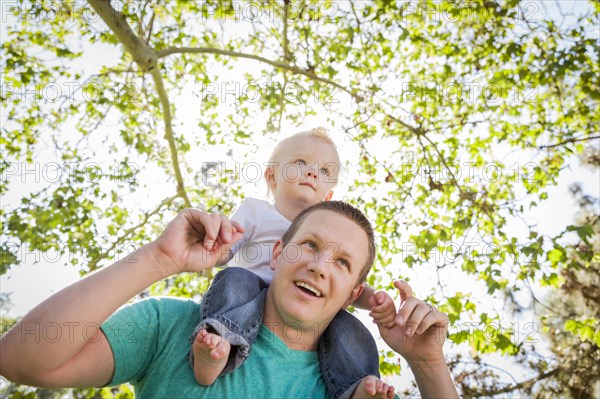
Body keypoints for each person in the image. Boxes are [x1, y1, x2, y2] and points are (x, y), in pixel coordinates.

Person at [0, 201, 459, 399]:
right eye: (310, 246)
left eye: (342, 263)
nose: (321, 265)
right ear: (278, 253)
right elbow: (22, 360)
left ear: (353, 295)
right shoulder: (174, 326)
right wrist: (159, 259)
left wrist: (429, 363)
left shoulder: (352, 388)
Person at [192, 128, 396, 399]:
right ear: (271, 175)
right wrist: (213, 245)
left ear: (327, 197)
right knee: (234, 278)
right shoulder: (256, 211)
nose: (313, 173)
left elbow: (345, 285)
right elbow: (228, 247)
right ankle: (220, 342)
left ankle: (355, 385)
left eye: (324, 171)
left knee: (347, 326)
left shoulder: (328, 231)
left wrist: (376, 301)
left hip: (305, 302)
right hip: (249, 297)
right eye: (301, 163)